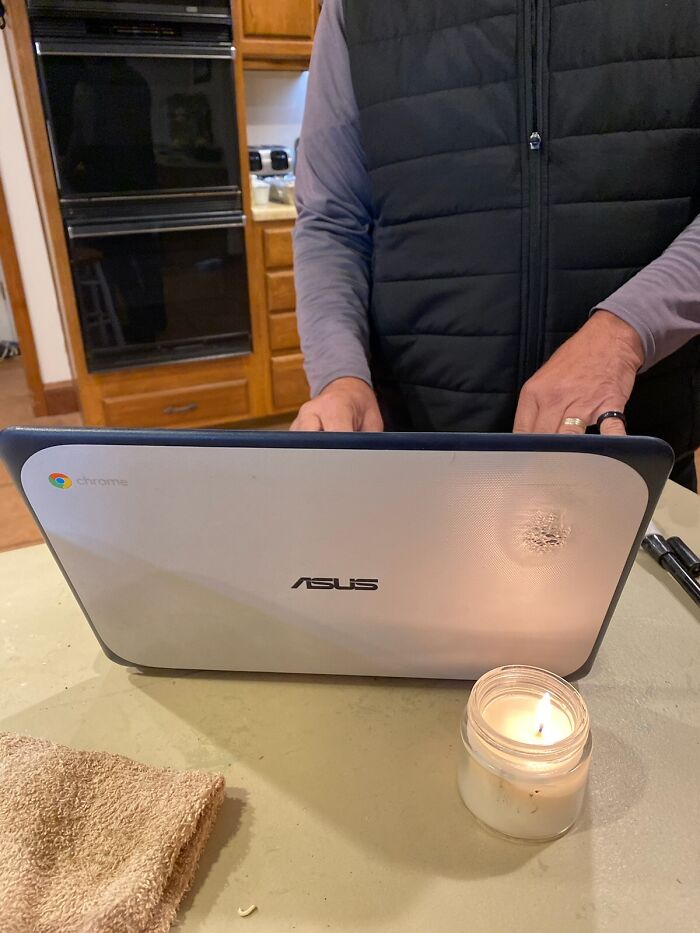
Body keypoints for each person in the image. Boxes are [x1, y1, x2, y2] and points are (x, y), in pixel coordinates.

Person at [290, 0, 700, 490]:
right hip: (413, 456)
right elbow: (332, 219)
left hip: (628, 451)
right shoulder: (355, 9)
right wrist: (341, 375)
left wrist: (625, 335)